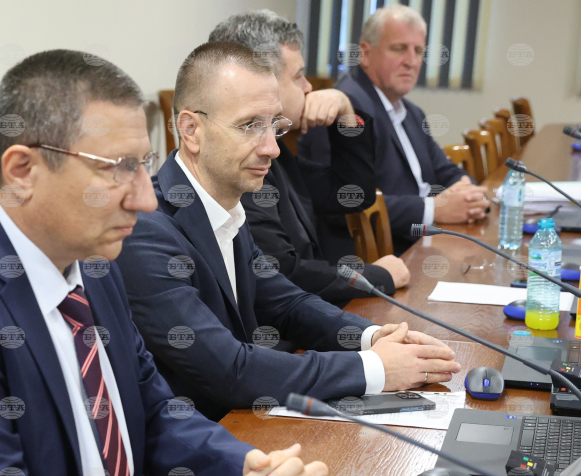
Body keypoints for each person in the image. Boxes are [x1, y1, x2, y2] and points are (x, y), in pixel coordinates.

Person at [0, 50, 340, 476]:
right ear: (22, 171)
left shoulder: (93, 261)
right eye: (118, 168)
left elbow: (155, 414)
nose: (147, 199)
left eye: (143, 165)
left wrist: (255, 473)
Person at [115, 41, 461, 423]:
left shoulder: (225, 204)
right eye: (250, 126)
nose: (272, 148)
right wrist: (376, 368)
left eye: (275, 126)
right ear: (191, 130)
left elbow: (287, 304)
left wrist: (374, 337)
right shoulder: (146, 232)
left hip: (245, 423)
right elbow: (231, 369)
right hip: (203, 436)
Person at [208, 10, 409, 307]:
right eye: (298, 76)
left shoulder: (275, 151)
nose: (308, 87)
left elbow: (352, 195)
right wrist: (377, 276)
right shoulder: (237, 161)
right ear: (261, 81)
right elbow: (284, 273)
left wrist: (346, 112)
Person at [298, 5, 490, 256]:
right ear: (365, 54)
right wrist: (433, 209)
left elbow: (444, 169)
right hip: (380, 258)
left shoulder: (412, 112)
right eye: (399, 48)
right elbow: (341, 203)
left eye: (418, 51)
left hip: (425, 242)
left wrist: (467, 193)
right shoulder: (342, 110)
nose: (411, 61)